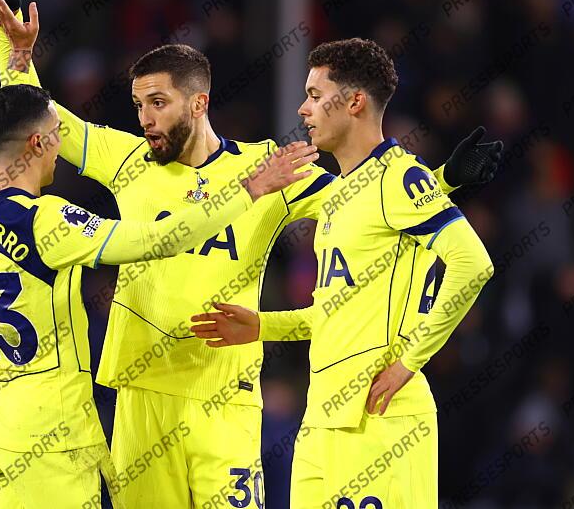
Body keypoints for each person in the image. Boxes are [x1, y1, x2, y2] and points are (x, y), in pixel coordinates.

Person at [0, 0, 499, 507]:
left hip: (226, 397)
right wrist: (16, 52)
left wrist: (442, 181)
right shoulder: (127, 159)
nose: (145, 119)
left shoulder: (267, 169)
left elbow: (366, 199)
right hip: (143, 390)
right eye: (139, 105)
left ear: (199, 103)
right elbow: (36, 124)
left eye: (158, 103)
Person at [0, 79, 317, 508]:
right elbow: (160, 240)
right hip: (47, 429)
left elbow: (4, 123)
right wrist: (248, 191)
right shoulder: (46, 222)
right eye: (56, 135)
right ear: (37, 142)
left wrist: (13, 57)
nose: (61, 146)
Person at [190, 39, 496, 508]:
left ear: (354, 102)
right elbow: (330, 312)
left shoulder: (398, 176)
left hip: (382, 419)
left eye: (315, 95)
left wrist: (409, 362)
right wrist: (261, 326)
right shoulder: (338, 195)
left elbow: (473, 264)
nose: (303, 108)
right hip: (322, 420)